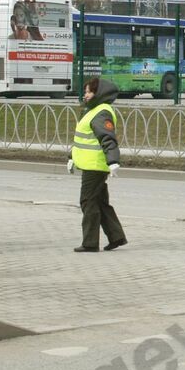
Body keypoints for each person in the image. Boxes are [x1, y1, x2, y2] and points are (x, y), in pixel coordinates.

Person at [68, 77, 127, 253]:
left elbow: (107, 138)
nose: (85, 95)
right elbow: (83, 138)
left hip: (95, 165)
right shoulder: (92, 111)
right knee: (100, 203)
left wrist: (113, 160)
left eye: (89, 92)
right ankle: (116, 237)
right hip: (89, 163)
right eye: (85, 91)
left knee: (88, 202)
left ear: (99, 93)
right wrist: (71, 156)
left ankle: (90, 243)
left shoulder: (101, 112)